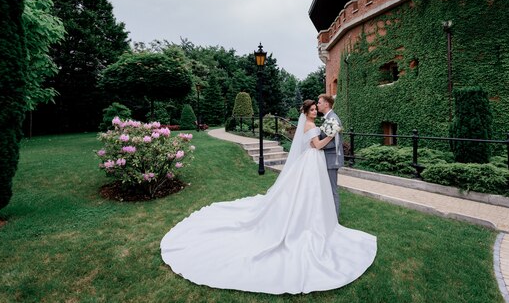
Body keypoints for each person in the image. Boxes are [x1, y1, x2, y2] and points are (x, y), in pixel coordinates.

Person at [160, 100, 377, 295]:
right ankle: (307, 222)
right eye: (311, 110)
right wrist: (330, 133)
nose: (314, 112)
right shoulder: (310, 126)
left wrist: (328, 131)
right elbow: (318, 145)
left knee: (314, 193)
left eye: (315, 109)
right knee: (308, 193)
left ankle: (318, 218)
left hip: (313, 163)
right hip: (312, 161)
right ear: (306, 112)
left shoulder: (311, 124)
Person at [317, 94, 343, 218]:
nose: (317, 105)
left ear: (326, 104)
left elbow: (335, 143)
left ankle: (335, 219)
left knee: (332, 190)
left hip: (332, 159)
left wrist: (319, 146)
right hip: (326, 158)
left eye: (319, 102)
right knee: (326, 189)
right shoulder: (328, 118)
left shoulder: (333, 119)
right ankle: (328, 216)